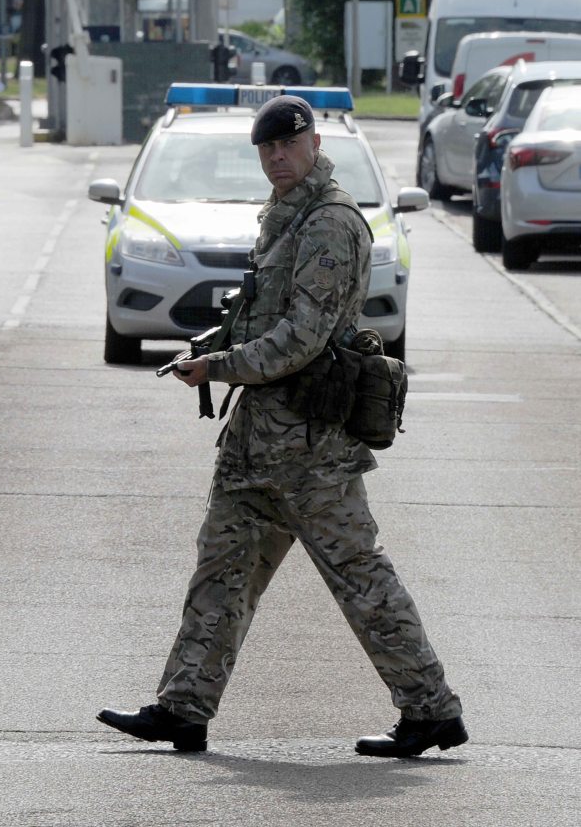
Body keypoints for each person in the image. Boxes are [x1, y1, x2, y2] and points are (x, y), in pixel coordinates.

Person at [97, 95, 468, 758]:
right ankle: (183, 705)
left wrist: (220, 365)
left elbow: (302, 336)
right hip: (257, 442)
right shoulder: (283, 215)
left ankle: (431, 709)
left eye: (286, 145)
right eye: (265, 149)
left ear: (312, 142)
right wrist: (218, 340)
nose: (275, 158)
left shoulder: (329, 223)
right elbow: (268, 314)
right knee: (221, 567)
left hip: (311, 446)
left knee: (358, 575)